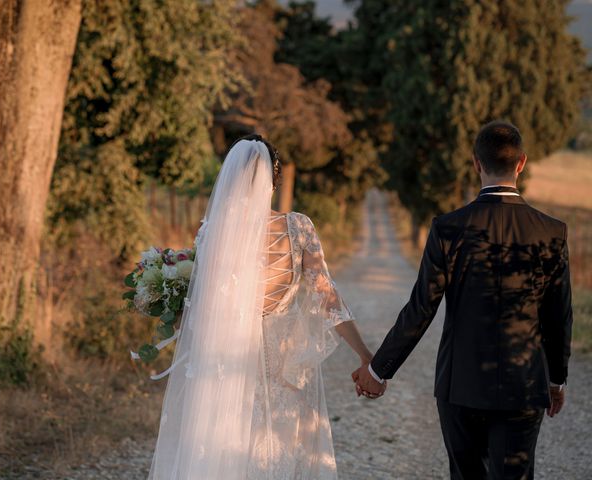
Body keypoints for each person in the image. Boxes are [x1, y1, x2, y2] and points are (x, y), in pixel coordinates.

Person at [353, 120, 573, 479]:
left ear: (475, 163)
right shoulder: (551, 231)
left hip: (460, 385)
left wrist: (378, 370)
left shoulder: (448, 228)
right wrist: (556, 380)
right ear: (521, 163)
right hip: (524, 384)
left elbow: (421, 309)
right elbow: (559, 315)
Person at [147, 134, 373, 479]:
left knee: (225, 451)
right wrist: (365, 355)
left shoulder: (213, 232)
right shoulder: (297, 227)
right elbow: (327, 296)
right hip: (282, 361)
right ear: (273, 179)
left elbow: (203, 306)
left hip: (225, 360)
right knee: (277, 451)